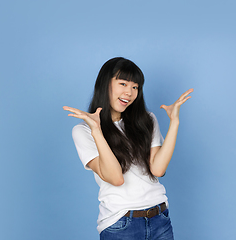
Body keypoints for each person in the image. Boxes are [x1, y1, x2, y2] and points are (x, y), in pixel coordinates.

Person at [63, 57, 193, 240]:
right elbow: (115, 178)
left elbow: (158, 169)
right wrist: (97, 131)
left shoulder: (147, 120)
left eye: (135, 87)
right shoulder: (83, 131)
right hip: (121, 224)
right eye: (123, 83)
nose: (129, 92)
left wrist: (174, 122)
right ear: (105, 84)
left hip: (159, 218)